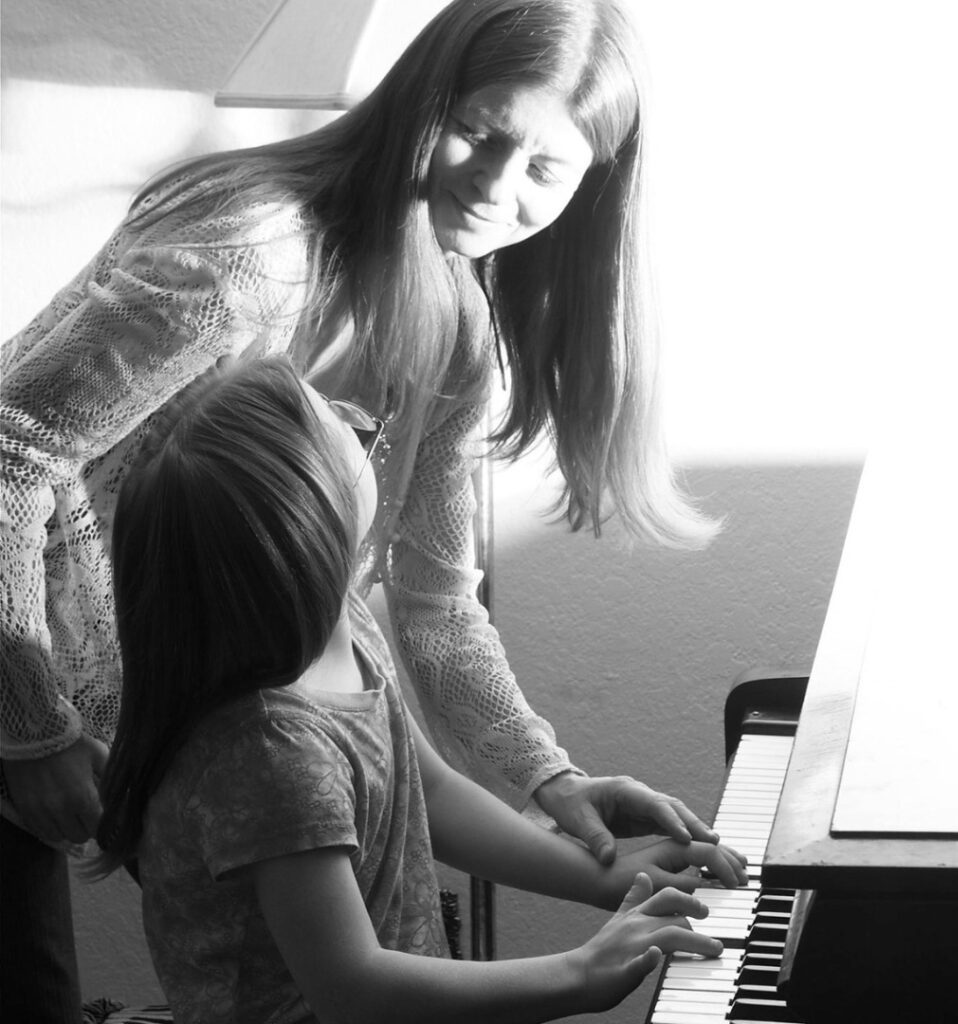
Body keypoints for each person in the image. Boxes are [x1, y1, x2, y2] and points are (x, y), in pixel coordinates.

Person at [1, 0, 722, 1016]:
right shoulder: (250, 254)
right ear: (424, 98)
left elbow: (435, 601)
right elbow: (10, 449)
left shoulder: (455, 328)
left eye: (545, 169)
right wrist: (29, 726)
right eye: (481, 132)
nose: (497, 185)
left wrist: (550, 782)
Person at [94, 354, 745, 1024]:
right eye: (341, 426)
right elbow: (353, 989)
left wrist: (604, 877)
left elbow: (428, 792)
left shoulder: (343, 624)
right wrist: (580, 971)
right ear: (313, 511)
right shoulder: (271, 753)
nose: (356, 421)